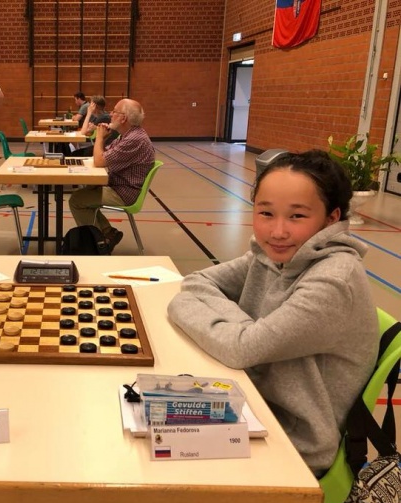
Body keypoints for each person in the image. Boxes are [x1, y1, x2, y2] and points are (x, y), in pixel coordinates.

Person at [167, 150, 377, 476]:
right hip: (249, 399)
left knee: (152, 452)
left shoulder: (334, 281)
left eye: (297, 216)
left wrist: (186, 307)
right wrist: (244, 329)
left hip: (291, 441)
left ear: (331, 218)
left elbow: (242, 349)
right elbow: (197, 282)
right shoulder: (272, 254)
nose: (277, 231)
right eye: (266, 213)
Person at [68, 98, 154, 252]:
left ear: (123, 118)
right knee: (86, 192)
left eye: (114, 112)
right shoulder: (128, 135)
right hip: (118, 184)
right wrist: (104, 139)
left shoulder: (134, 140)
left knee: (77, 200)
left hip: (124, 192)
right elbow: (105, 154)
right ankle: (108, 232)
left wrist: (99, 137)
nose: (110, 114)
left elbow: (99, 161)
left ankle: (97, 243)